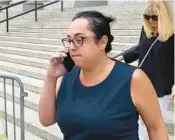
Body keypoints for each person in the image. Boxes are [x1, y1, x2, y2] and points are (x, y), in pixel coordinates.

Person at [39, 11, 168, 140]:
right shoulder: (67, 77)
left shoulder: (133, 78)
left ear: (102, 42)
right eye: (69, 40)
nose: (72, 47)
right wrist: (51, 77)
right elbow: (46, 120)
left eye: (79, 40)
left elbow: (156, 129)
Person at [115, 1, 174, 139]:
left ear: (163, 15)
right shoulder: (146, 29)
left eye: (154, 17)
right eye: (147, 17)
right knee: (141, 121)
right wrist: (123, 57)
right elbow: (141, 48)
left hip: (161, 84)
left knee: (155, 122)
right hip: (143, 81)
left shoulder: (172, 34)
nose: (150, 20)